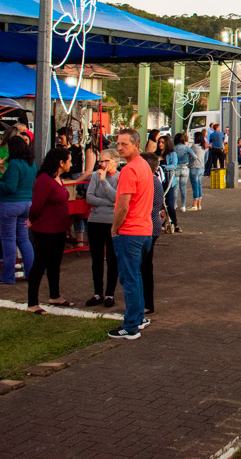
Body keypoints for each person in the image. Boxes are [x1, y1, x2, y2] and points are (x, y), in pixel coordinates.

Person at [110, 128, 155, 339]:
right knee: (135, 276)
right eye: (118, 144)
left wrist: (114, 228)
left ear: (136, 145)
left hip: (131, 231)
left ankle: (131, 325)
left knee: (130, 278)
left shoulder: (129, 170)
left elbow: (123, 206)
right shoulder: (144, 166)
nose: (119, 148)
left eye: (124, 144)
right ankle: (137, 318)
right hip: (144, 230)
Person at [0, 135, 35, 285]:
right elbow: (14, 181)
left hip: (9, 205)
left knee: (8, 240)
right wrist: (3, 169)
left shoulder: (15, 163)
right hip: (26, 204)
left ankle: (8, 276)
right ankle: (31, 273)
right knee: (23, 239)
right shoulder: (31, 164)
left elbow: (10, 187)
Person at [26, 147, 74, 314]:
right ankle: (32, 302)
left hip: (58, 228)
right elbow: (36, 206)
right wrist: (32, 221)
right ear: (61, 163)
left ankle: (55, 295)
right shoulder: (45, 180)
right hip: (46, 230)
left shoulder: (57, 178)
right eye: (69, 161)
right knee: (40, 264)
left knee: (55, 264)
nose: (71, 164)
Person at [84, 148, 120, 308]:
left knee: (112, 259)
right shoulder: (94, 176)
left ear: (115, 161)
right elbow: (90, 198)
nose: (102, 164)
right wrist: (108, 202)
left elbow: (117, 197)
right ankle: (98, 292)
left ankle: (110, 294)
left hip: (112, 222)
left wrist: (104, 181)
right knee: (96, 259)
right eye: (100, 161)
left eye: (106, 161)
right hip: (95, 221)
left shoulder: (120, 177)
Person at [139, 152, 165, 317]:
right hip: (149, 226)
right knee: (143, 266)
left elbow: (151, 207)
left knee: (145, 267)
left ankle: (148, 304)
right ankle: (145, 302)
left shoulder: (151, 182)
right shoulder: (152, 180)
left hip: (149, 227)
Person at [157, 134, 180, 233]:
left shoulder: (172, 154)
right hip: (158, 182)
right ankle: (160, 223)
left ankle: (175, 223)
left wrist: (163, 167)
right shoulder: (155, 154)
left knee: (170, 204)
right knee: (159, 204)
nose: (160, 144)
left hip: (169, 182)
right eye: (159, 142)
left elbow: (174, 165)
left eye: (163, 142)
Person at [172, 133, 194, 212]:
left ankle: (174, 204)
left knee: (175, 188)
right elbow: (194, 156)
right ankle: (183, 206)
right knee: (183, 187)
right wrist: (190, 162)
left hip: (175, 168)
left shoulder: (173, 148)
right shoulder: (186, 148)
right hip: (184, 168)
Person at [188, 130, 206, 211]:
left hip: (194, 167)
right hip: (201, 167)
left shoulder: (194, 146)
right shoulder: (203, 146)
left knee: (195, 186)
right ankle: (199, 204)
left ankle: (194, 204)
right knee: (199, 185)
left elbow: (189, 155)